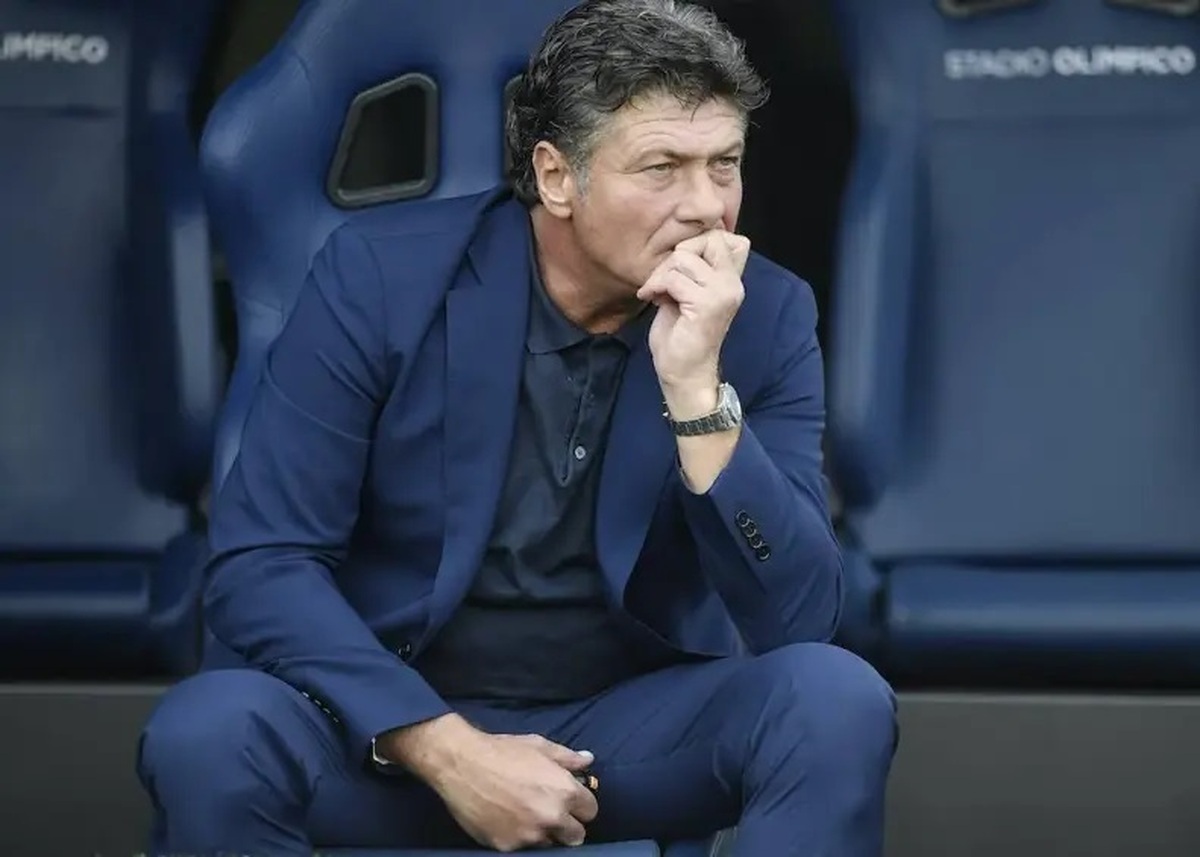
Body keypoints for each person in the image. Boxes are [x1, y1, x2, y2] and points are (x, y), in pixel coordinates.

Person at [136, 0, 897, 853]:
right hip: (385, 730)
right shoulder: (379, 278)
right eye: (662, 167)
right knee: (210, 730)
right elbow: (260, 564)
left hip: (618, 740)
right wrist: (444, 747)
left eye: (725, 164)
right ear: (556, 176)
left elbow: (798, 617)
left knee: (834, 700)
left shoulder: (764, 316)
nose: (706, 207)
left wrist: (697, 390)